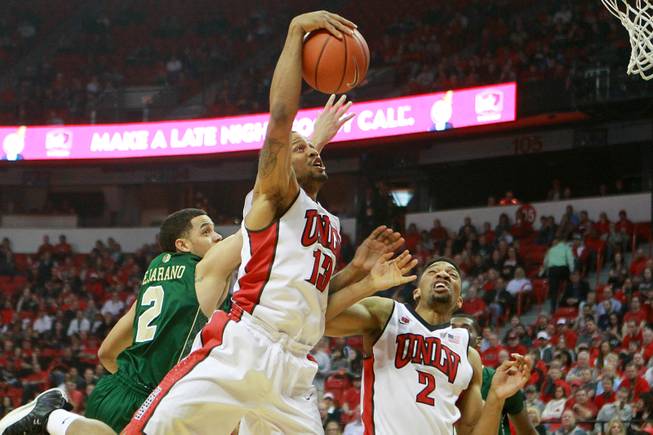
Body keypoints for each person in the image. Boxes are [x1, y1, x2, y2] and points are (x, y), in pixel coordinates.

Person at [119, 12, 416, 435]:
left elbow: (317, 306)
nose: (314, 152)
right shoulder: (273, 198)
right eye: (301, 149)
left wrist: (363, 274)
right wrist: (296, 32)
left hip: (295, 369)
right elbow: (280, 120)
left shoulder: (328, 222)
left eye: (314, 149)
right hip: (244, 347)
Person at [0, 208, 243, 434]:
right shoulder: (202, 272)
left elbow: (107, 352)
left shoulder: (156, 281)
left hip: (113, 390)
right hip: (146, 399)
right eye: (206, 231)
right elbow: (254, 234)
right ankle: (54, 419)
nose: (218, 237)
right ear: (182, 244)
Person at [325, 257, 532, 434]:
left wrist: (496, 397)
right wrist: (367, 283)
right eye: (433, 271)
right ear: (416, 292)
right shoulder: (388, 314)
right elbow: (320, 319)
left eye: (452, 274)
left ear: (460, 300)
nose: (442, 275)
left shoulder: (468, 355)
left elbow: (471, 431)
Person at [451, 313, 538, 435]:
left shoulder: (500, 379)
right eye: (452, 328)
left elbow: (527, 431)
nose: (458, 333)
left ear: (479, 341)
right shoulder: (433, 379)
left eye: (466, 329)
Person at [541, 235, 574, 314]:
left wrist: (544, 271)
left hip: (552, 270)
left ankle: (553, 309)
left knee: (554, 291)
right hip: (563, 269)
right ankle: (566, 301)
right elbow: (570, 260)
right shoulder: (567, 248)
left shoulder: (551, 249)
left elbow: (546, 261)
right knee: (569, 285)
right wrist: (572, 271)